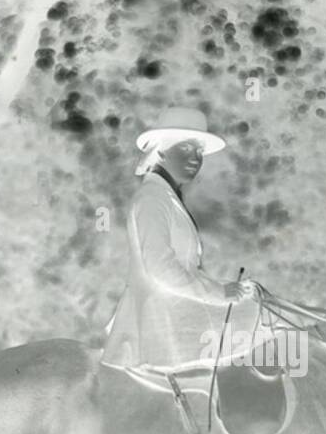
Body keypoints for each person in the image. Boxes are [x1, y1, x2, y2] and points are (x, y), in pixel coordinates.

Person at [102, 106, 258, 377]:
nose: (196, 158)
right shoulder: (152, 198)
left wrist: (228, 289)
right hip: (161, 315)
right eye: (186, 149)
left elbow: (186, 270)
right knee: (257, 324)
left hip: (177, 307)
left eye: (199, 151)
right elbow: (161, 268)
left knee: (258, 311)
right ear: (161, 151)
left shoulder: (167, 197)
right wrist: (219, 294)